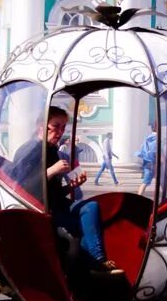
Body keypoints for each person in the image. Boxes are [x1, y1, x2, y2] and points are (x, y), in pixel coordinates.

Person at [12, 106, 122, 276]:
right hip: (39, 212)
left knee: (91, 207)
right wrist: (51, 171)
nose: (60, 132)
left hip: (57, 205)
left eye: (63, 127)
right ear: (41, 126)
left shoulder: (52, 151)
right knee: (84, 226)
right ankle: (95, 264)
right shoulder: (30, 150)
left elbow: (52, 192)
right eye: (56, 126)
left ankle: (94, 262)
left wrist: (71, 186)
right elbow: (22, 187)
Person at [137, 129, 157, 197]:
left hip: (147, 162)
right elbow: (157, 153)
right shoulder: (156, 140)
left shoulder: (147, 139)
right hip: (153, 164)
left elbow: (142, 151)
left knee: (145, 183)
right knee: (145, 183)